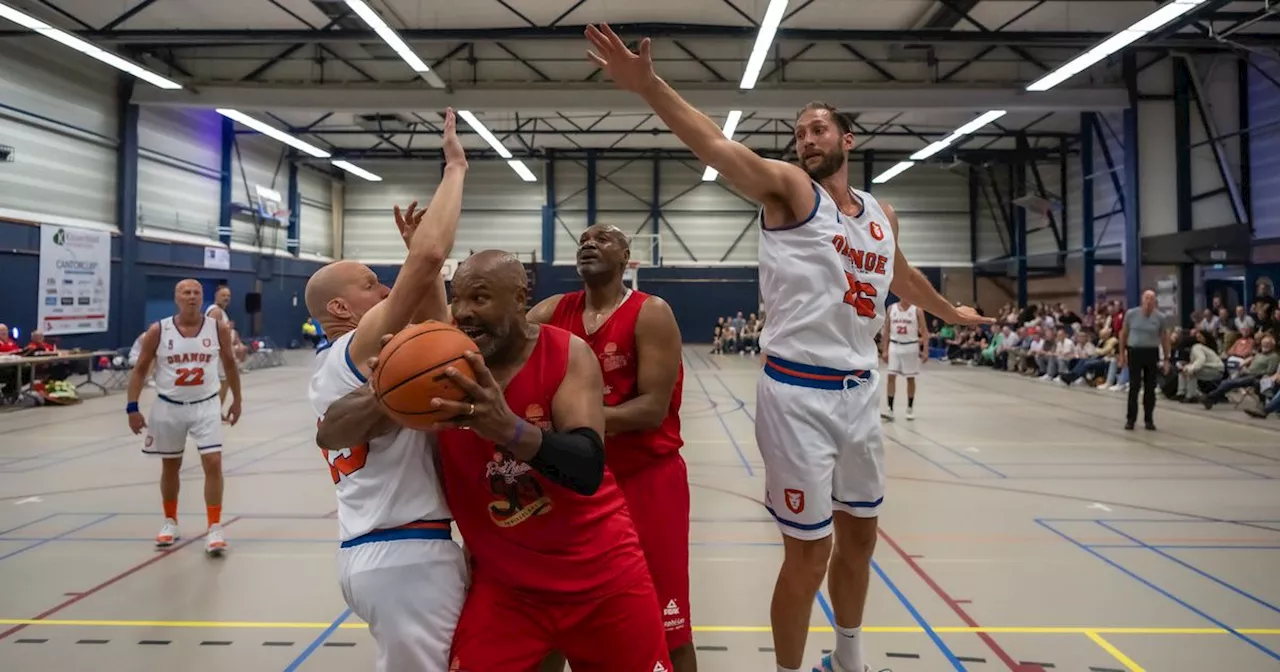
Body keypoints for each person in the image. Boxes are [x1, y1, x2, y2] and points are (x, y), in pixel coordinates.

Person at [582, 23, 990, 672]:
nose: (807, 139)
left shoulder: (882, 216)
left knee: (860, 539)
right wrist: (649, 85)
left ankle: (848, 659)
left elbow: (902, 276)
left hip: (860, 394)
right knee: (809, 552)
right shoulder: (792, 193)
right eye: (800, 132)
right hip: (797, 393)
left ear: (848, 140)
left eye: (819, 128)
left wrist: (952, 310)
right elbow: (716, 146)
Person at [318, 250, 672, 672]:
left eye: (480, 299)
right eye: (458, 299)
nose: (464, 313)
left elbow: (587, 467)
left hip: (601, 579)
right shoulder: (441, 360)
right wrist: (385, 389)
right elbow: (330, 432)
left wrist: (509, 428)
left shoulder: (566, 353)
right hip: (507, 593)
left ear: (520, 298)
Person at [305, 109, 468, 672]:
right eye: (371, 283)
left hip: (383, 552)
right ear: (340, 309)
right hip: (405, 552)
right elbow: (425, 261)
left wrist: (424, 275)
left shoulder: (335, 366)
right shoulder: (353, 352)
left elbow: (444, 340)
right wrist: (455, 168)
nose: (387, 287)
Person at [528, 224, 693, 671]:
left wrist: (570, 429)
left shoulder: (650, 312)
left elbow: (651, 410)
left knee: (668, 622)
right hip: (577, 485)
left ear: (626, 257)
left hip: (646, 480)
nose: (589, 243)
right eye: (583, 239)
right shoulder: (553, 311)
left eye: (602, 238)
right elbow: (498, 337)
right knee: (557, 621)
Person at [126, 279, 243, 554]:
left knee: (213, 462)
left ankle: (214, 527)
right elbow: (140, 370)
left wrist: (237, 399)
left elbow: (229, 364)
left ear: (202, 298)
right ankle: (170, 521)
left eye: (196, 293)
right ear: (176, 298)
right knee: (170, 466)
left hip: (206, 404)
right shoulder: (159, 330)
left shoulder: (218, 328)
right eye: (185, 293)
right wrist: (132, 407)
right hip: (169, 405)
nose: (191, 297)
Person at [1118, 289, 1170, 431]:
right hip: (1135, 352)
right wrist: (1122, 354)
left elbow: (1164, 338)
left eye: (1151, 299)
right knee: (1134, 387)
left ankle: (1149, 419)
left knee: (1150, 388)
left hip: (1151, 352)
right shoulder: (1131, 314)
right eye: (1146, 298)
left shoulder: (1160, 317)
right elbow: (1123, 334)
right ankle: (1130, 419)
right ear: (1142, 300)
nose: (1148, 301)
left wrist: (1166, 358)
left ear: (1155, 301)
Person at [880, 299, 927, 420]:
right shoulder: (891, 308)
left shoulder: (917, 310)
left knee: (910, 378)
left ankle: (910, 408)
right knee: (891, 376)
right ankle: (890, 409)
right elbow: (886, 331)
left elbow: (924, 332)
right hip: (894, 345)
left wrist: (926, 350)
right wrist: (884, 350)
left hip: (911, 346)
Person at [204, 285, 235, 419]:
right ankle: (214, 412)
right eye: (223, 295)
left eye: (228, 296)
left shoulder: (221, 312)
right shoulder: (215, 311)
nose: (226, 298)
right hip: (218, 353)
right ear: (216, 296)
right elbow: (213, 332)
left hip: (221, 352)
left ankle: (216, 410)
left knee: (223, 383)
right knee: (223, 382)